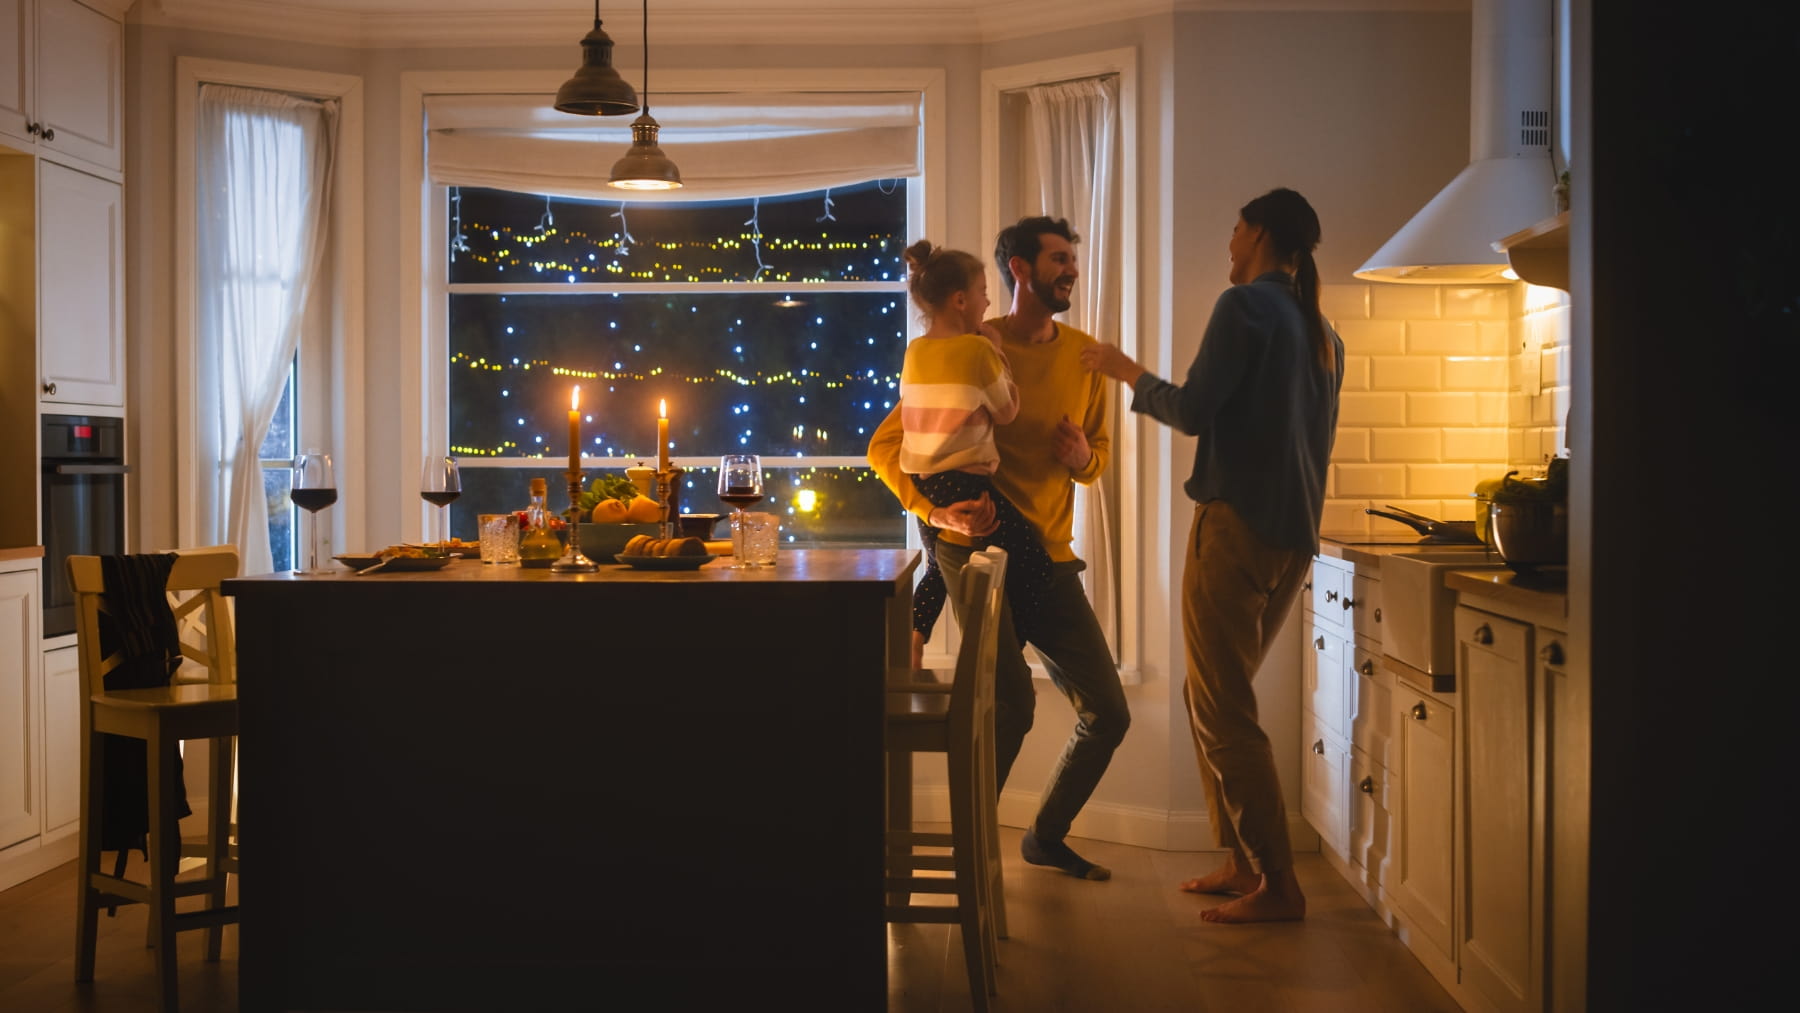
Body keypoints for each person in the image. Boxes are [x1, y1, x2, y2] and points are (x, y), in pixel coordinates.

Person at [1080, 187, 1344, 923]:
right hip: (1293, 542)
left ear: (1258, 233)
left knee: (1221, 707)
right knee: (1216, 699)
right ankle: (1241, 861)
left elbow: (1194, 410)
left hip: (1235, 530)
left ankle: (1278, 885)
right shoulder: (1324, 332)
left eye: (1233, 229)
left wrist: (1127, 371)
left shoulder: (1246, 309)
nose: (1228, 243)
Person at [870, 215, 1128, 881]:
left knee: (1109, 710)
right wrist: (934, 512)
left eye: (1073, 259)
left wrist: (1082, 458)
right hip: (978, 553)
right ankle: (970, 849)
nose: (1071, 269)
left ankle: (1044, 834)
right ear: (1020, 270)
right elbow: (891, 447)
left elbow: (1095, 455)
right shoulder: (966, 350)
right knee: (1010, 704)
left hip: (1049, 555)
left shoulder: (1084, 355)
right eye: (1059, 258)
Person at [896, 239, 1053, 650]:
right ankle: (1008, 648)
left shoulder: (915, 351)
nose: (988, 303)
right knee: (1035, 566)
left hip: (926, 484)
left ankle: (914, 636)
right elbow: (1007, 411)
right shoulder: (979, 350)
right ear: (961, 300)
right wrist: (998, 352)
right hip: (965, 485)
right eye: (983, 293)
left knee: (936, 568)